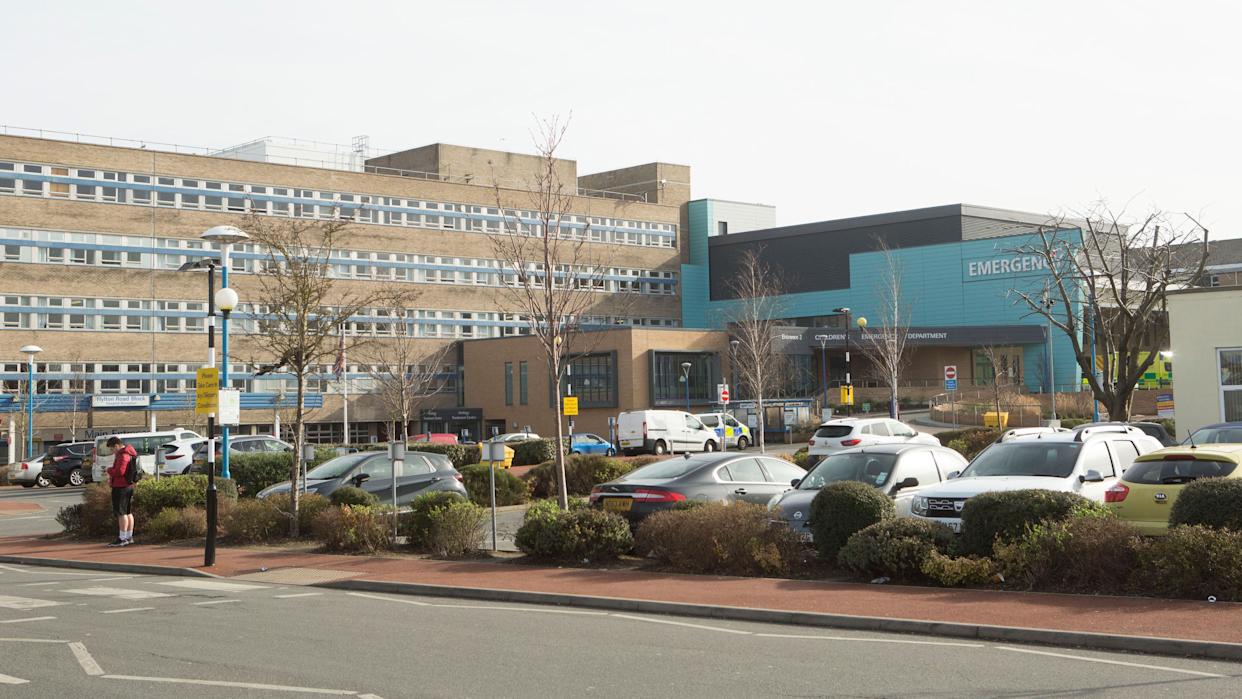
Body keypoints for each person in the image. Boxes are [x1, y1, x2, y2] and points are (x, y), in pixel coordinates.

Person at [105, 436, 137, 547]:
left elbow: (119, 472)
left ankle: (122, 538)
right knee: (128, 512)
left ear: (117, 446)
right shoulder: (129, 453)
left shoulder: (123, 455)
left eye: (112, 449)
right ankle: (129, 536)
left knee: (121, 513)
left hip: (121, 486)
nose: (112, 452)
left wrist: (109, 470)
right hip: (128, 486)